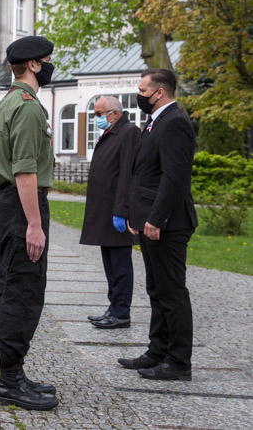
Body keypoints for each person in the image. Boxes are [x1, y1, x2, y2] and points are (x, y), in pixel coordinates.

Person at [0, 35, 58, 411]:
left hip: (7, 205)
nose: (50, 65)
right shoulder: (28, 107)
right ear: (33, 64)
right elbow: (25, 171)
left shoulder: (8, 101)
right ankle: (10, 382)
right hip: (21, 207)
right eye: (48, 60)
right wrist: (35, 224)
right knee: (23, 291)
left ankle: (13, 373)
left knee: (13, 286)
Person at [119, 68, 197, 381]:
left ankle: (179, 362)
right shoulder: (156, 122)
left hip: (167, 222)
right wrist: (136, 215)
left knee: (172, 292)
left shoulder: (175, 122)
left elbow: (174, 177)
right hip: (149, 220)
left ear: (159, 92)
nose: (139, 96)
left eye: (142, 90)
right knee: (157, 290)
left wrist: (156, 218)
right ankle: (157, 351)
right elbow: (144, 174)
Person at [81, 96, 140, 329]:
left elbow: (127, 173)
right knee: (110, 264)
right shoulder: (113, 132)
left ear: (114, 114)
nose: (96, 118)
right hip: (105, 210)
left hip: (117, 210)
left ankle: (121, 312)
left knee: (121, 264)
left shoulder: (129, 132)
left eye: (99, 113)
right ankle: (113, 307)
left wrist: (122, 211)